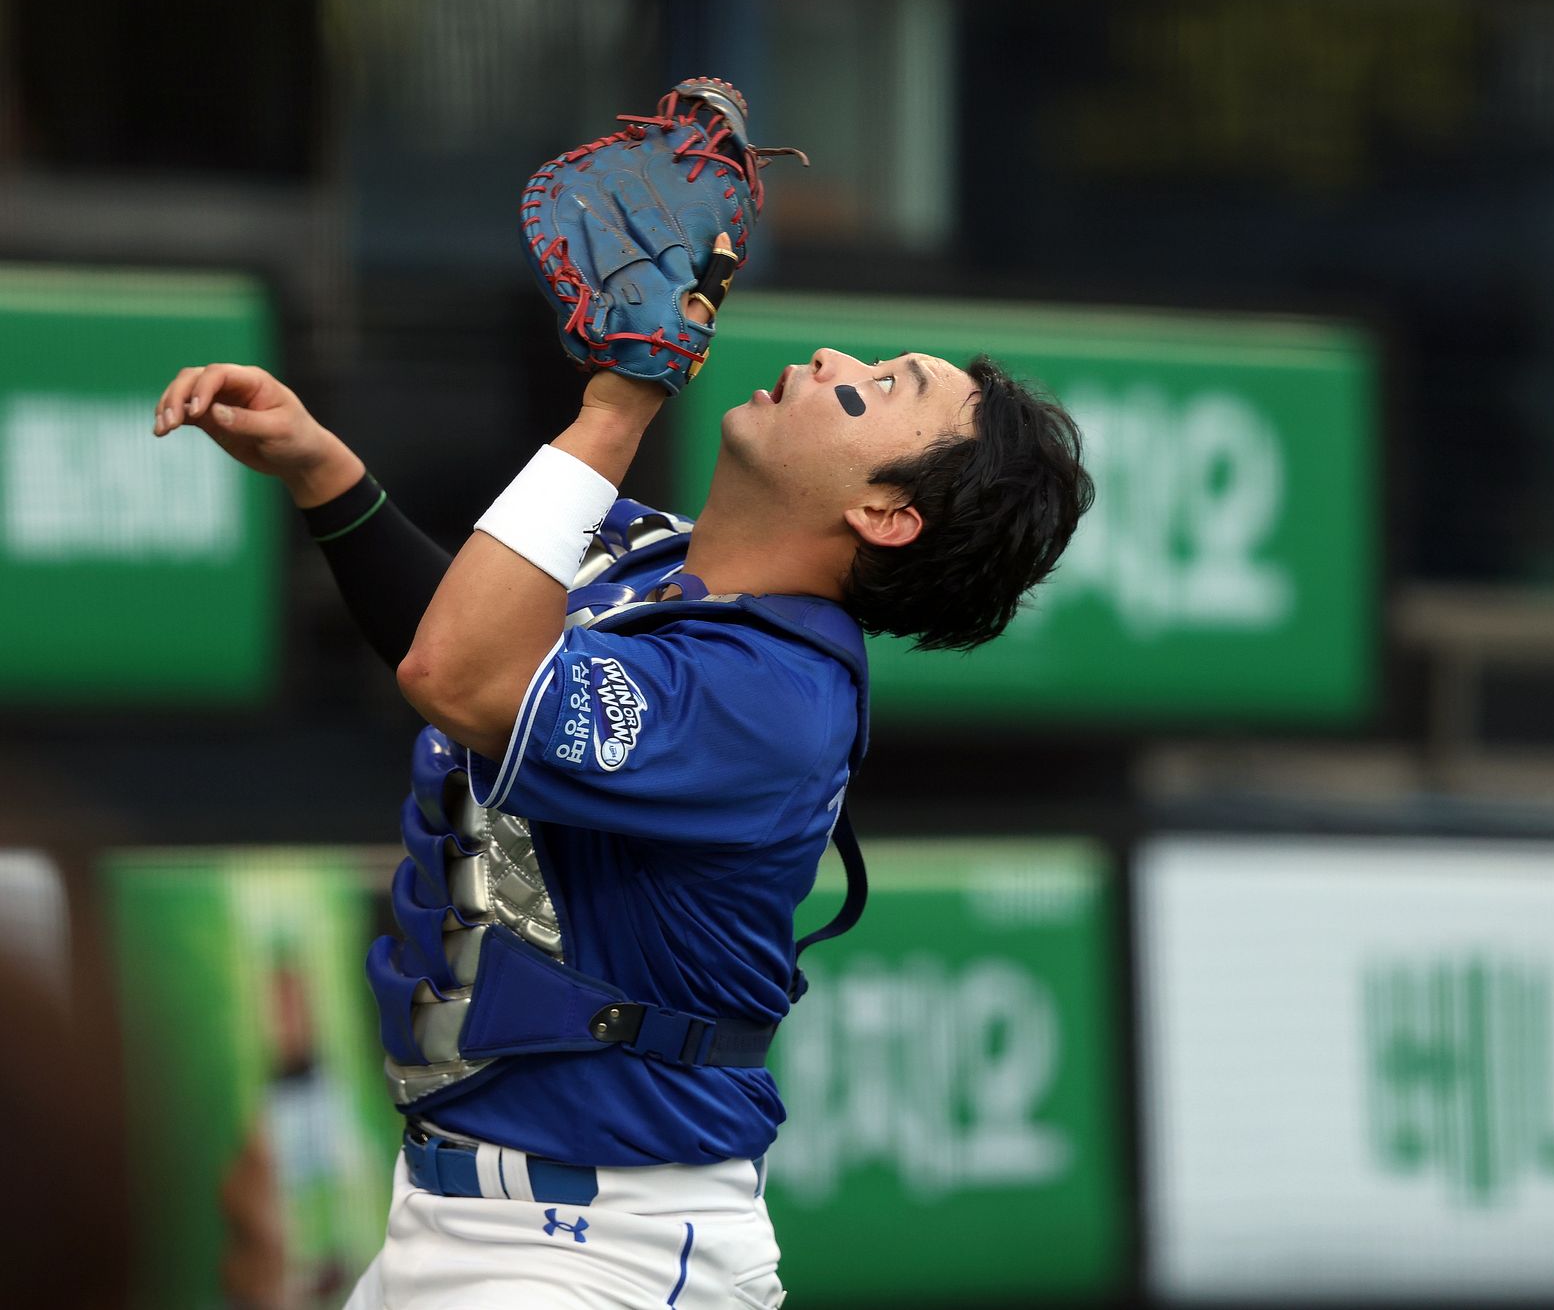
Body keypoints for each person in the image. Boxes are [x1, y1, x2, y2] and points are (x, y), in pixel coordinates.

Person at [152, 303, 1093, 1306]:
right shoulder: (655, 557)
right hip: (452, 1215)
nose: (832, 358)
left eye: (889, 383)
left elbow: (460, 678)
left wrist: (615, 410)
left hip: (603, 1250)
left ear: (887, 514)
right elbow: (465, 639)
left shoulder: (772, 700)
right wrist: (327, 476)